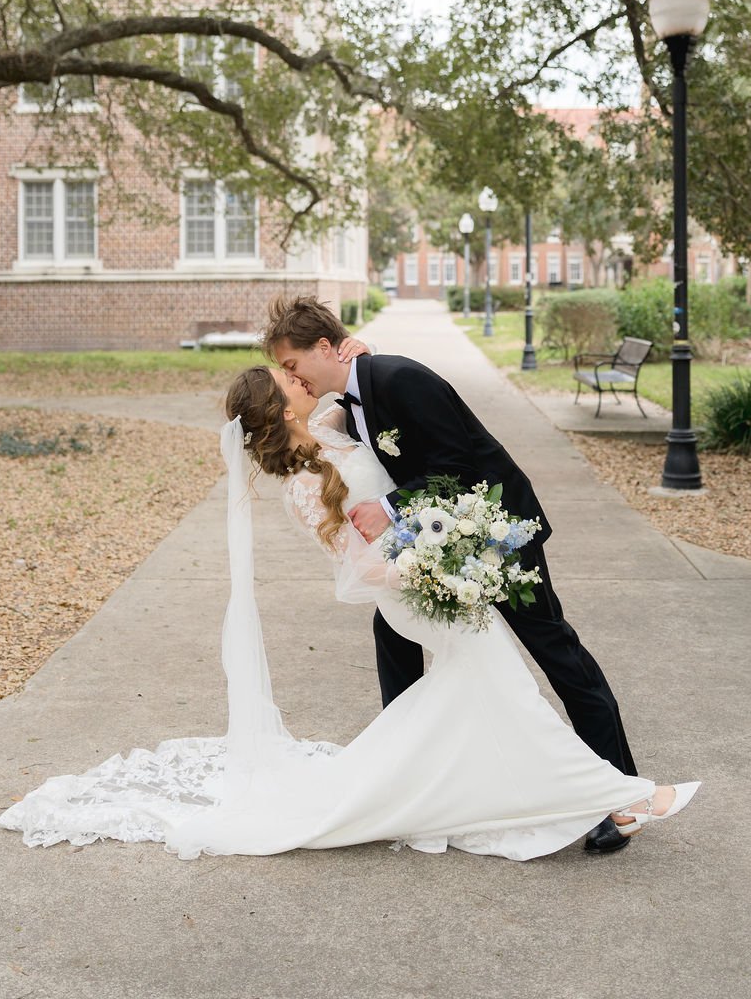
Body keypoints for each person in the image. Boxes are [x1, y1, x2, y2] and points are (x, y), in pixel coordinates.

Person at [0, 364, 699, 859]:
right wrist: (433, 565)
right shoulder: (303, 484)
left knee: (494, 693)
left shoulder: (329, 429)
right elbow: (356, 563)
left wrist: (355, 367)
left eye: (292, 373)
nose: (297, 383)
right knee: (507, 687)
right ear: (279, 411)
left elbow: (350, 398)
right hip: (412, 590)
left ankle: (549, 791)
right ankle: (614, 794)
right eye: (285, 385)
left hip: (431, 581)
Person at [263, 295, 645, 856]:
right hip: (439, 539)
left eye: (293, 364)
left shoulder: (399, 379)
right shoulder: (352, 394)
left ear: (324, 347)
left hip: (499, 532)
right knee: (392, 637)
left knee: (556, 652)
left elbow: (458, 466)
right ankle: (406, 780)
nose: (291, 376)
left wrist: (391, 508)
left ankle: (621, 796)